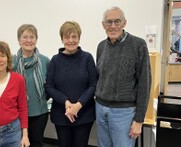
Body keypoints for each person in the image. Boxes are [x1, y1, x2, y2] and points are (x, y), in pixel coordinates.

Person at [95, 6, 151, 147]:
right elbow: (100, 78)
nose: (113, 26)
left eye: (117, 21)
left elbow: (144, 84)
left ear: (124, 23)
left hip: (124, 113)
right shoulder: (101, 46)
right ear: (103, 25)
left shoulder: (138, 45)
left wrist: (139, 120)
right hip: (101, 109)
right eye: (109, 22)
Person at [45, 21, 97, 147]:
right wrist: (66, 102)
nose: (71, 40)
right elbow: (49, 87)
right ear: (62, 39)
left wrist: (78, 105)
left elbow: (93, 85)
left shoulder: (87, 58)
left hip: (84, 113)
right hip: (62, 114)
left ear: (79, 38)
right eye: (67, 37)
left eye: (74, 36)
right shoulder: (55, 60)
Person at [13, 24, 50, 147]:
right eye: (25, 37)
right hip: (17, 113)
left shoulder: (45, 61)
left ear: (36, 40)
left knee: (37, 143)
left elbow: (50, 86)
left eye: (32, 37)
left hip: (40, 113)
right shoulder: (11, 62)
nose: (29, 40)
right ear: (19, 40)